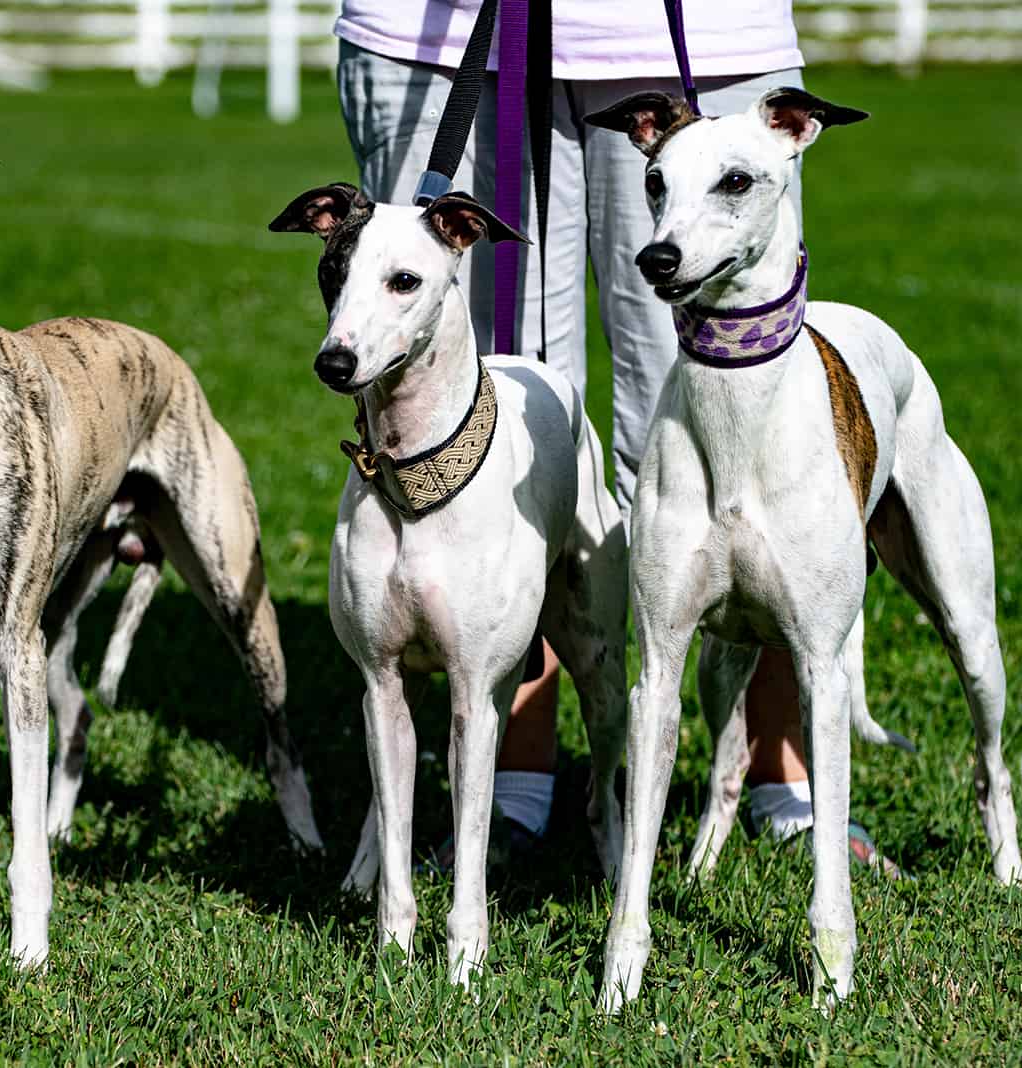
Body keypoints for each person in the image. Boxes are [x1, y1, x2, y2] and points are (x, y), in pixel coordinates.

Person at [333, 0, 894, 872]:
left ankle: (784, 769)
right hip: (439, 39)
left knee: (744, 407)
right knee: (491, 434)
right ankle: (515, 778)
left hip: (701, 31)